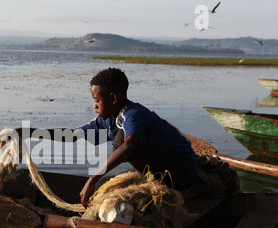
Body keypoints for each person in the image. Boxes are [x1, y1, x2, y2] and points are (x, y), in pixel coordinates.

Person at [15, 68, 199, 208]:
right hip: (168, 169)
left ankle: (166, 188)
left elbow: (129, 145)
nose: (94, 106)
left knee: (121, 142)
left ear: (112, 99)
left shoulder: (133, 115)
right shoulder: (107, 120)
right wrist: (30, 132)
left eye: (97, 100)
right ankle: (155, 183)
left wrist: (92, 178)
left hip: (183, 173)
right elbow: (71, 135)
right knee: (107, 183)